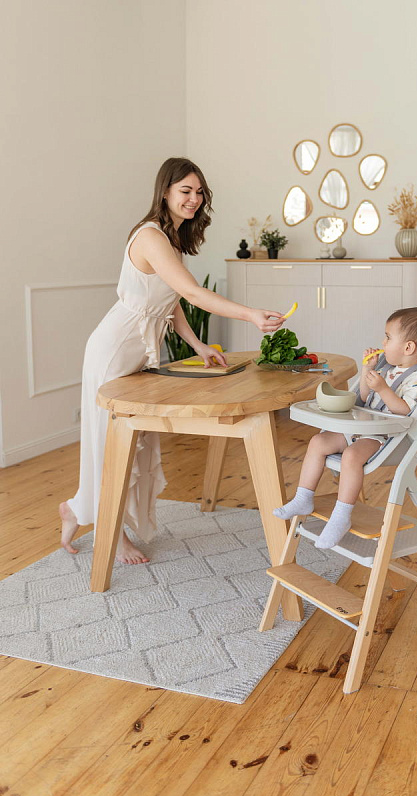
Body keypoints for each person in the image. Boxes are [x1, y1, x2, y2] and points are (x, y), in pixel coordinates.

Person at [60, 157, 285, 564]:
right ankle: (111, 531)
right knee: (109, 444)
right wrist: (251, 314)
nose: (194, 199)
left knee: (135, 441)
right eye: (185, 191)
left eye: (199, 192)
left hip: (138, 355)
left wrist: (198, 346)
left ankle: (77, 509)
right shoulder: (150, 236)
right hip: (113, 351)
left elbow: (172, 300)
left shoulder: (171, 238)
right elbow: (194, 294)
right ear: (164, 192)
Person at [273, 307, 417, 549]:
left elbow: (405, 411)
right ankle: (304, 497)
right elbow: (363, 398)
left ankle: (341, 516)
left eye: (388, 337)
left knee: (351, 456)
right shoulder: (388, 367)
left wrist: (383, 388)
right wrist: (367, 371)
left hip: (385, 435)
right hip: (361, 426)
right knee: (318, 442)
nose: (383, 342)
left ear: (408, 348)